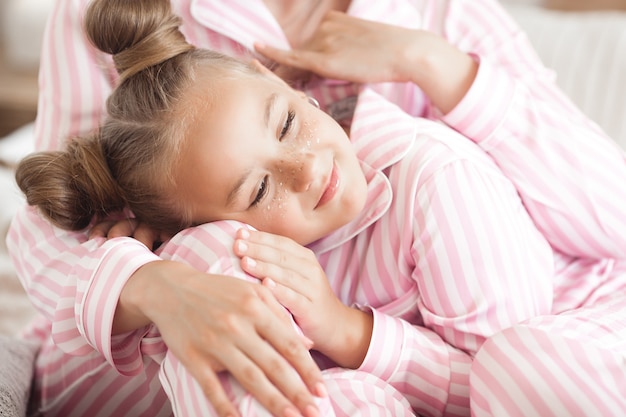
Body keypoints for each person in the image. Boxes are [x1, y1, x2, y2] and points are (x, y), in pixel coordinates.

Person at [8, 0, 626, 416]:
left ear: (281, 83)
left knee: (523, 367)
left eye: (287, 121)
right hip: (310, 344)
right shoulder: (115, 19)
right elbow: (51, 224)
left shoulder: (436, 171)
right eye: (256, 191)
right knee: (210, 259)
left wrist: (432, 64)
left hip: (560, 318)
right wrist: (158, 283)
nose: (307, 167)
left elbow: (612, 218)